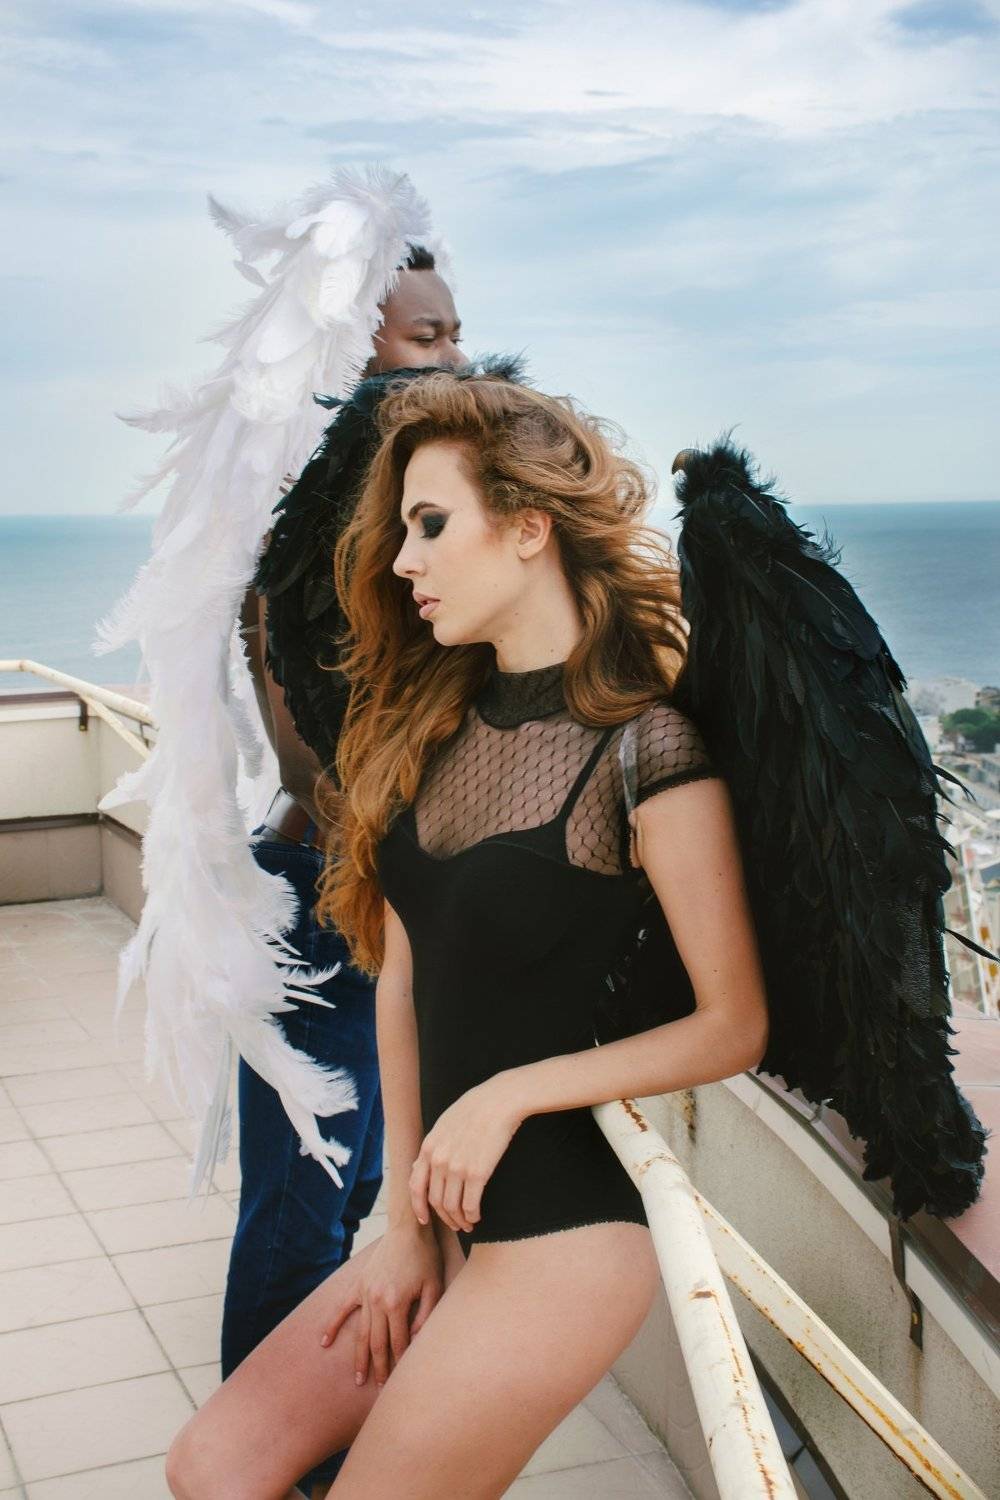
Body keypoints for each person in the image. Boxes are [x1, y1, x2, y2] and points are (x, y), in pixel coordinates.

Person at [165, 370, 770, 1499]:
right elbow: (402, 979)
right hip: (439, 1218)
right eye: (403, 530)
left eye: (432, 524)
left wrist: (508, 1095)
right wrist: (403, 1221)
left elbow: (734, 1023)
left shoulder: (646, 749)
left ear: (529, 527)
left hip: (561, 1231)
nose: (405, 560)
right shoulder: (436, 724)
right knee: (212, 1466)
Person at [228, 247, 466, 1498]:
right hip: (328, 894)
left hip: (354, 895)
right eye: (427, 337)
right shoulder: (305, 539)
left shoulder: (360, 525)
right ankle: (265, 1455)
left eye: (455, 332)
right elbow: (314, 751)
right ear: (347, 348)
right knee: (304, 1204)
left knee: (352, 1184)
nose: (455, 358)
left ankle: (305, 1448)